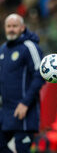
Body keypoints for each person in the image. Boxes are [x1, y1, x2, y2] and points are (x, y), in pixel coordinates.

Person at [0, 13, 45, 153]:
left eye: (15, 26)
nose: (11, 29)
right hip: (6, 111)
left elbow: (40, 75)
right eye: (8, 26)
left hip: (25, 113)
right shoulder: (3, 49)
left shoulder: (30, 47)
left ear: (22, 27)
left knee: (22, 149)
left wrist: (25, 103)